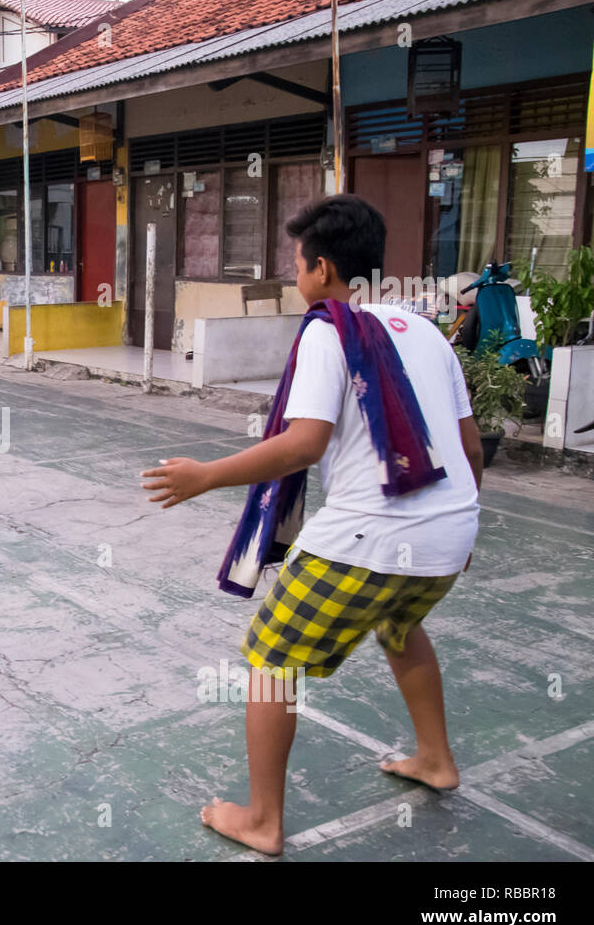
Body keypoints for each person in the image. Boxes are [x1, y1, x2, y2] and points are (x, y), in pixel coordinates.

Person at [140, 195, 482, 856]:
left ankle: (262, 820)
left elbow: (304, 445)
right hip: (450, 533)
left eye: (297, 264)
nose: (296, 277)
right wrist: (461, 528)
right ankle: (436, 759)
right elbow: (468, 448)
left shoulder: (331, 331)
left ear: (322, 269)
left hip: (370, 537)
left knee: (269, 659)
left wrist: (205, 475)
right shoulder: (426, 332)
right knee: (400, 624)